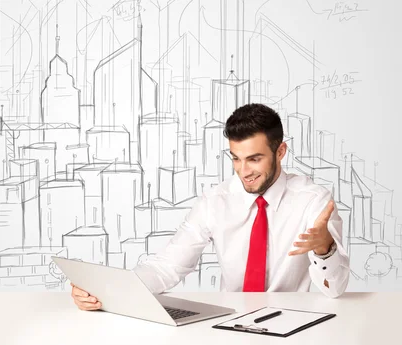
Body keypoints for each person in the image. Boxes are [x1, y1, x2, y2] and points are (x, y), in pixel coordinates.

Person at [71, 103, 351, 311]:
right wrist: (108, 291)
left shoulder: (312, 201)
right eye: (236, 159)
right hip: (230, 324)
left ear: (280, 152)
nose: (244, 171)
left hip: (294, 323)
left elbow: (335, 291)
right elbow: (168, 266)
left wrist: (324, 248)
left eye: (254, 159)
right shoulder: (215, 202)